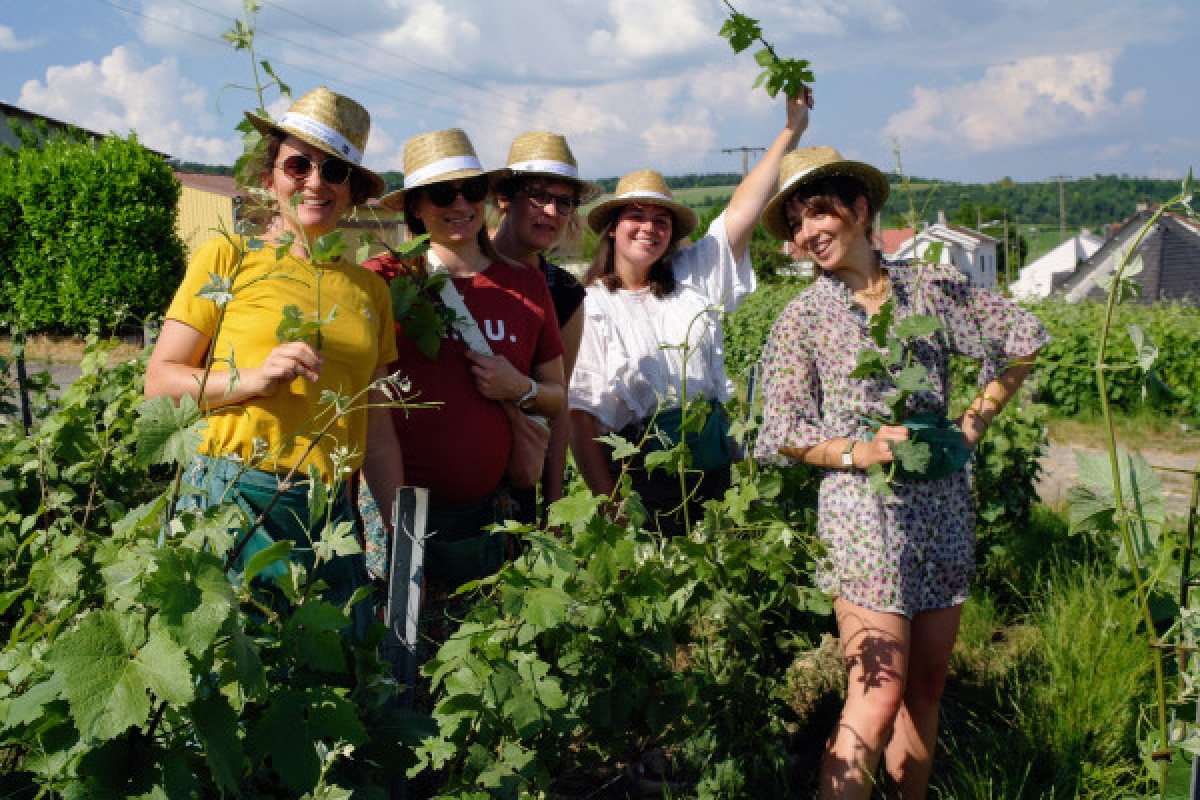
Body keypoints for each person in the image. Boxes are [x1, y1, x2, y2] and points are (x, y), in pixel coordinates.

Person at [753, 146, 1048, 799]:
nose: (807, 233)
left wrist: (970, 427)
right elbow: (783, 431)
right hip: (863, 515)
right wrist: (862, 450)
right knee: (876, 697)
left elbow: (1023, 340)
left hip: (942, 508)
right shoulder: (803, 317)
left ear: (859, 210)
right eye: (796, 224)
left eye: (817, 214)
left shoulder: (933, 288)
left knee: (926, 688)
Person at [145, 86, 404, 638]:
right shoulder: (228, 259)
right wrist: (254, 378)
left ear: (352, 191)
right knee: (225, 673)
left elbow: (377, 427)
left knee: (328, 685)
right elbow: (160, 382)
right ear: (270, 177)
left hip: (330, 511)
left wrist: (399, 530)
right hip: (233, 496)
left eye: (334, 170)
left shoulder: (368, 291)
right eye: (298, 164)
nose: (315, 181)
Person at [568, 89, 811, 536]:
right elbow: (582, 417)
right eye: (635, 216)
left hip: (712, 468)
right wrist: (613, 508)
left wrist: (790, 130)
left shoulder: (691, 279)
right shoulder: (591, 306)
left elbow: (743, 209)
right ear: (611, 227)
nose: (649, 227)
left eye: (661, 220)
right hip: (641, 479)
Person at [359, 128, 566, 589]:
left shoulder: (525, 286)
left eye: (471, 190)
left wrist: (521, 387)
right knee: (398, 649)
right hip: (394, 510)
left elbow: (556, 399)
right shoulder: (381, 281)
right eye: (440, 193)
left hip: (489, 511)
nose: (460, 204)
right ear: (415, 206)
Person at [492, 131, 603, 519]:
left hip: (518, 473)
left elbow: (557, 403)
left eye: (564, 202)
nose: (552, 213)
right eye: (539, 196)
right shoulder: (454, 271)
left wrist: (552, 508)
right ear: (504, 199)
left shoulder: (564, 292)